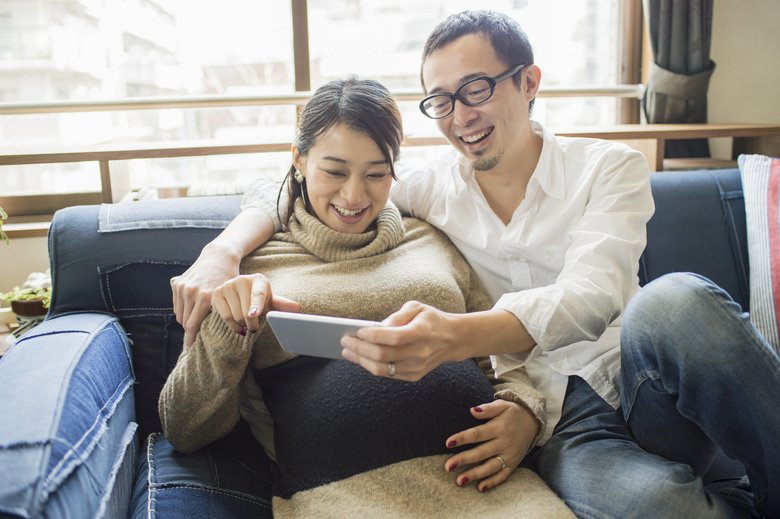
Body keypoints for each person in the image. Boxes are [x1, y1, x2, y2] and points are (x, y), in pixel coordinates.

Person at [171, 10, 780, 518]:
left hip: (643, 379)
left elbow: (591, 296)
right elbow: (306, 184)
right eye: (441, 100)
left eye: (477, 89)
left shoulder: (608, 168)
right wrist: (221, 251)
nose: (461, 115)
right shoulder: (426, 190)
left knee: (676, 301)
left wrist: (453, 337)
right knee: (655, 508)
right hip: (564, 426)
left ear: (530, 82)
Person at [160, 77, 574, 517]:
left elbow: (501, 352)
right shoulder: (251, 265)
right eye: (335, 171)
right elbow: (183, 426)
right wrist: (231, 324)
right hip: (347, 496)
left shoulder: (430, 238)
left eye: (377, 174)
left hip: (490, 483)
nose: (354, 195)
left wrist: (524, 410)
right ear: (299, 160)